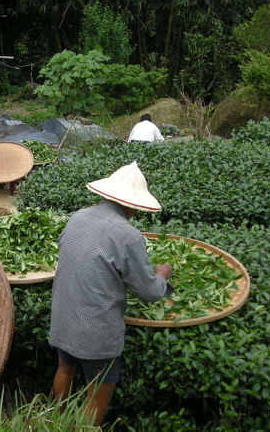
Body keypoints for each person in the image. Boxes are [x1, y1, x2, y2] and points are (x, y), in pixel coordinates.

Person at [49, 161, 174, 427]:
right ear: (133, 204)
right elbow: (150, 292)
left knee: (64, 369)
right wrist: (162, 275)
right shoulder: (128, 235)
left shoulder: (78, 216)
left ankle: (56, 423)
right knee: (97, 395)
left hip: (64, 316)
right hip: (96, 330)